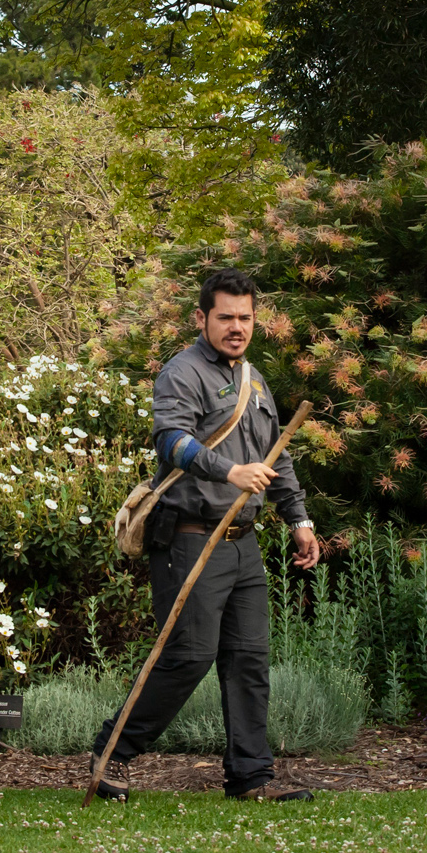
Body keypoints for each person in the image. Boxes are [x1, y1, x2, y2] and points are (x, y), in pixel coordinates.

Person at [90, 267, 320, 802]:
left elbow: (276, 455)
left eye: (245, 318)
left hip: (243, 544)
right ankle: (111, 755)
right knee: (189, 657)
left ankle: (250, 779)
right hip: (191, 537)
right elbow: (170, 439)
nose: (236, 327)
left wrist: (299, 520)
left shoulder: (255, 380)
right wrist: (227, 472)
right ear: (202, 318)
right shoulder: (182, 372)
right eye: (225, 317)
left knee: (248, 662)